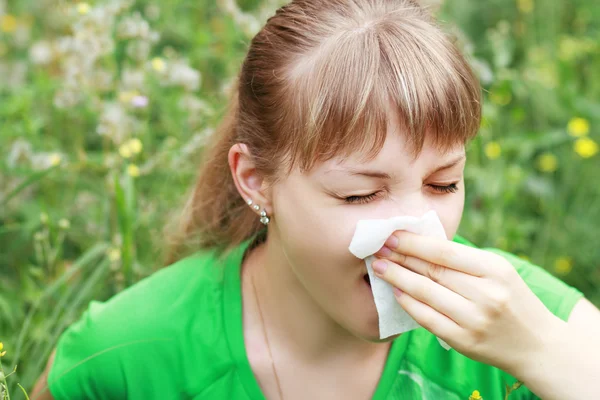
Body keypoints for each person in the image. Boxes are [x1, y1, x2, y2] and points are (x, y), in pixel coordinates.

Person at [32, 0, 600, 399]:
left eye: (443, 184)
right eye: (359, 194)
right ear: (256, 180)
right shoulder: (125, 357)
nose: (419, 230)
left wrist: (548, 357)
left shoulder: (529, 320)